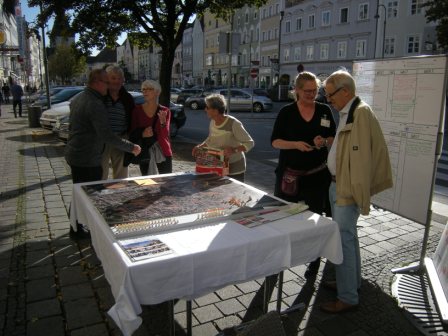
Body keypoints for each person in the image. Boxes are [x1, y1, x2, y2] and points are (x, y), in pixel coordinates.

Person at [320, 70, 392, 313]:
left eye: (330, 94)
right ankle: (350, 282)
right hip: (339, 184)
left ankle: (348, 296)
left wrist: (356, 195)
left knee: (344, 242)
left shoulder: (359, 113)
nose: (328, 99)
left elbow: (361, 161)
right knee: (348, 238)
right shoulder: (352, 110)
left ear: (346, 91)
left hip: (344, 187)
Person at [271, 71, 336, 277]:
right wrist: (295, 145)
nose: (311, 94)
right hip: (290, 177)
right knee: (284, 218)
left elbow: (333, 138)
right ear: (297, 90)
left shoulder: (324, 110)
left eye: (315, 90)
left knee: (315, 220)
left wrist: (324, 141)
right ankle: (280, 258)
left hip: (317, 176)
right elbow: (275, 142)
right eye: (307, 91)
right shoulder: (286, 112)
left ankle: (314, 262)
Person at [65, 69, 141, 237]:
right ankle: (80, 229)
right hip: (87, 156)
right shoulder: (95, 103)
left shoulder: (80, 97)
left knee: (80, 192)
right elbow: (106, 134)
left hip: (78, 152)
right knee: (88, 193)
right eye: (107, 82)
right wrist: (132, 147)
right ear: (97, 82)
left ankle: (76, 228)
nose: (109, 86)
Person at [192, 93, 254, 182]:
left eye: (207, 107)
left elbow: (250, 142)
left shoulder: (234, 123)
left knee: (234, 195)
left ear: (216, 111)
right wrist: (200, 146)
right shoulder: (212, 122)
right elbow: (211, 138)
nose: (205, 109)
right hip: (218, 166)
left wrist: (234, 150)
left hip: (235, 168)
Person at [129, 79, 173, 175]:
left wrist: (162, 123)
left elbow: (165, 135)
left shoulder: (164, 110)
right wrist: (142, 134)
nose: (145, 91)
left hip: (163, 150)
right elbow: (132, 132)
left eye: (149, 89)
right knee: (147, 182)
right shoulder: (137, 110)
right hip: (145, 150)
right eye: (143, 89)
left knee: (166, 182)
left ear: (157, 92)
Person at [101, 65, 135, 180]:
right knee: (101, 173)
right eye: (113, 78)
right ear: (107, 79)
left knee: (121, 174)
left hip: (121, 139)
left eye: (120, 78)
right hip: (102, 140)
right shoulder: (101, 96)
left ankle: (120, 194)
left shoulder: (127, 98)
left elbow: (132, 119)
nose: (117, 81)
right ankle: (99, 195)